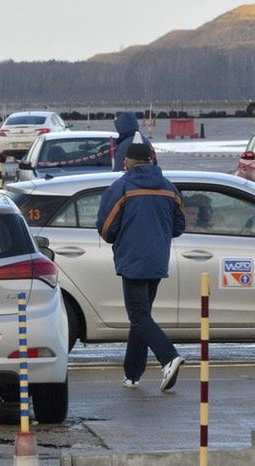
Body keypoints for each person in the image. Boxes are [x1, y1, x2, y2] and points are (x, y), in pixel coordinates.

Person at [96, 141, 186, 391]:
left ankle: (168, 356)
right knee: (141, 316)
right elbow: (179, 226)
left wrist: (124, 238)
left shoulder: (122, 187)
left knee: (138, 316)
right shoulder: (169, 188)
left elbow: (106, 228)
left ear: (127, 163)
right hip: (157, 260)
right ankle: (132, 374)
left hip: (132, 260)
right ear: (151, 161)